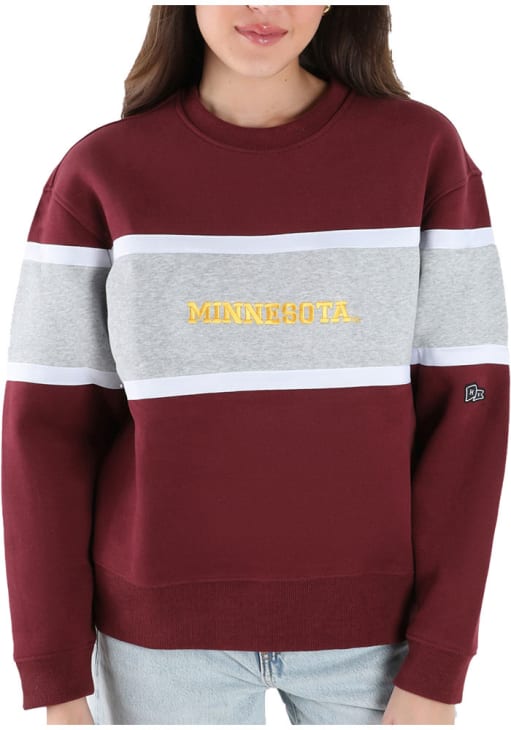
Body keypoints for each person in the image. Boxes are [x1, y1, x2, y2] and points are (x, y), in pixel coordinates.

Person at [1, 3, 509, 726]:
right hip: (155, 649)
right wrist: (55, 678)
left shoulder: (422, 153)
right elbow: (44, 431)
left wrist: (440, 658)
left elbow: (470, 410)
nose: (264, 6)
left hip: (379, 645)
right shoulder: (101, 171)